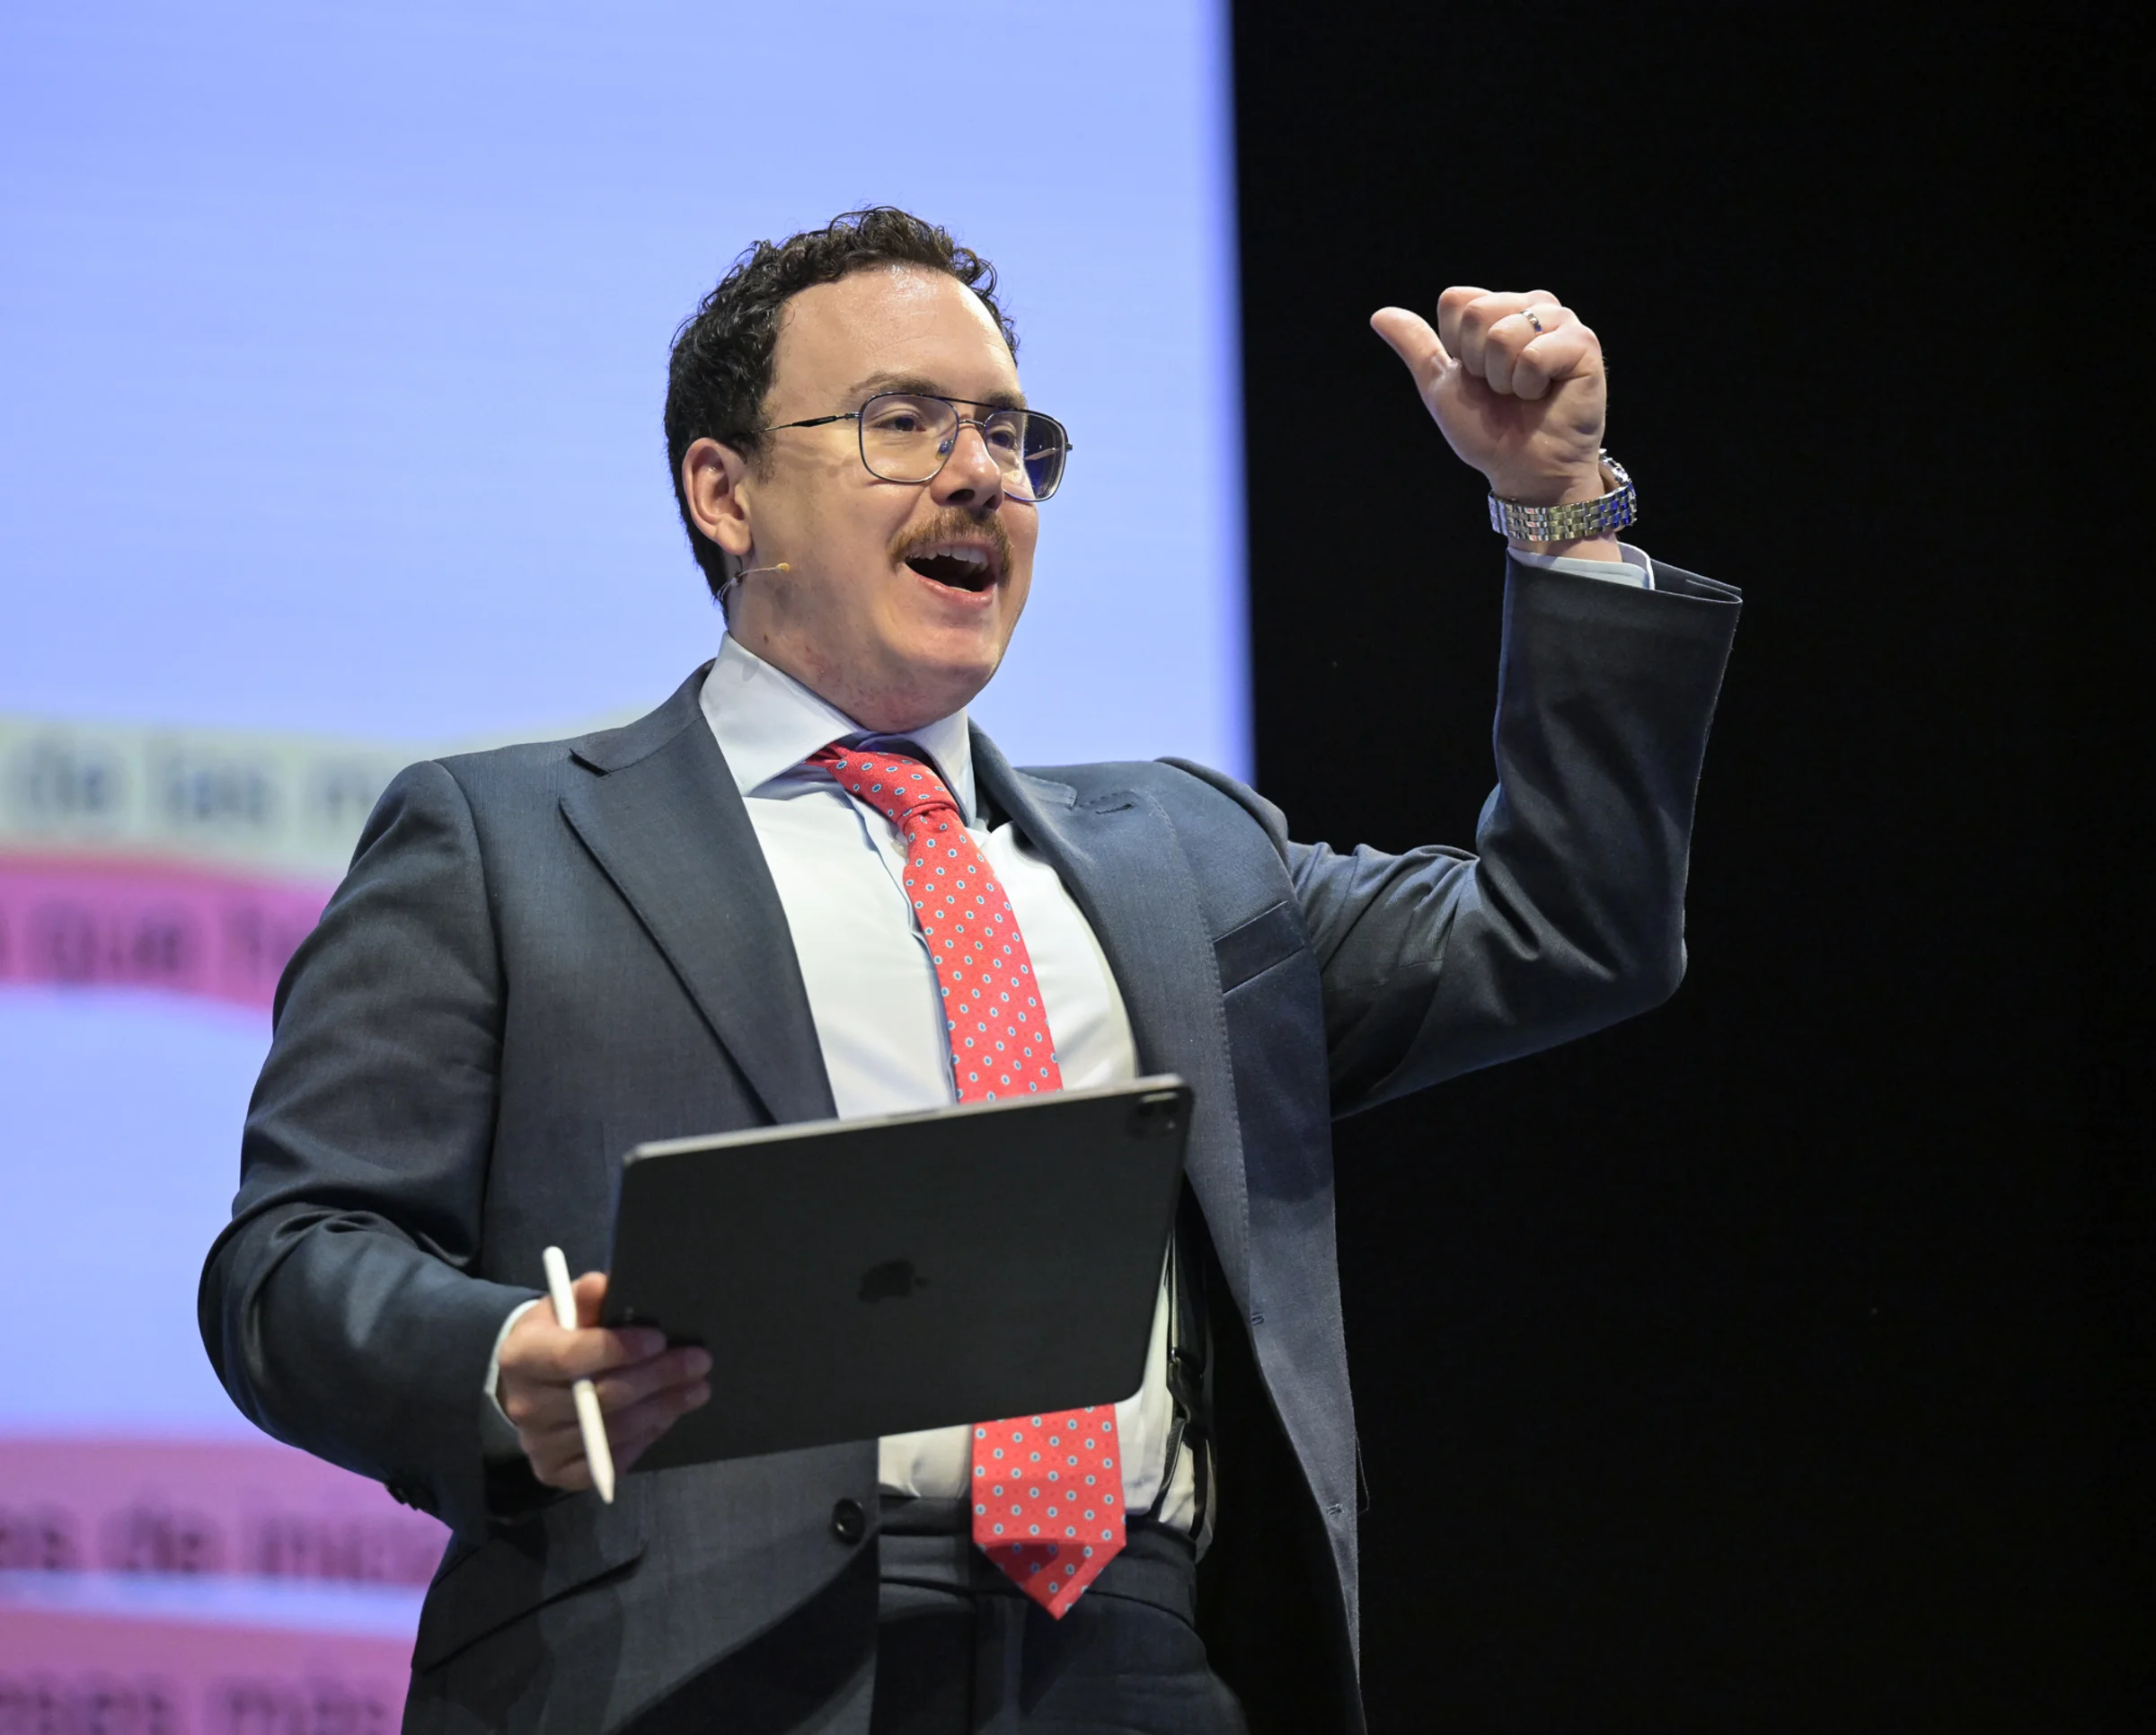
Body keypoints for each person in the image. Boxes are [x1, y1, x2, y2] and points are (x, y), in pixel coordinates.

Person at [201, 208, 1739, 1734]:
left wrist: (1560, 509)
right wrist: (497, 1362)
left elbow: (1571, 925)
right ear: (725, 493)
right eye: (903, 422)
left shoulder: (1187, 855)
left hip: (1141, 1664)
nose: (980, 473)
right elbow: (291, 1256)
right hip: (696, 1666)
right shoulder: (505, 841)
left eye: (1010, 433)